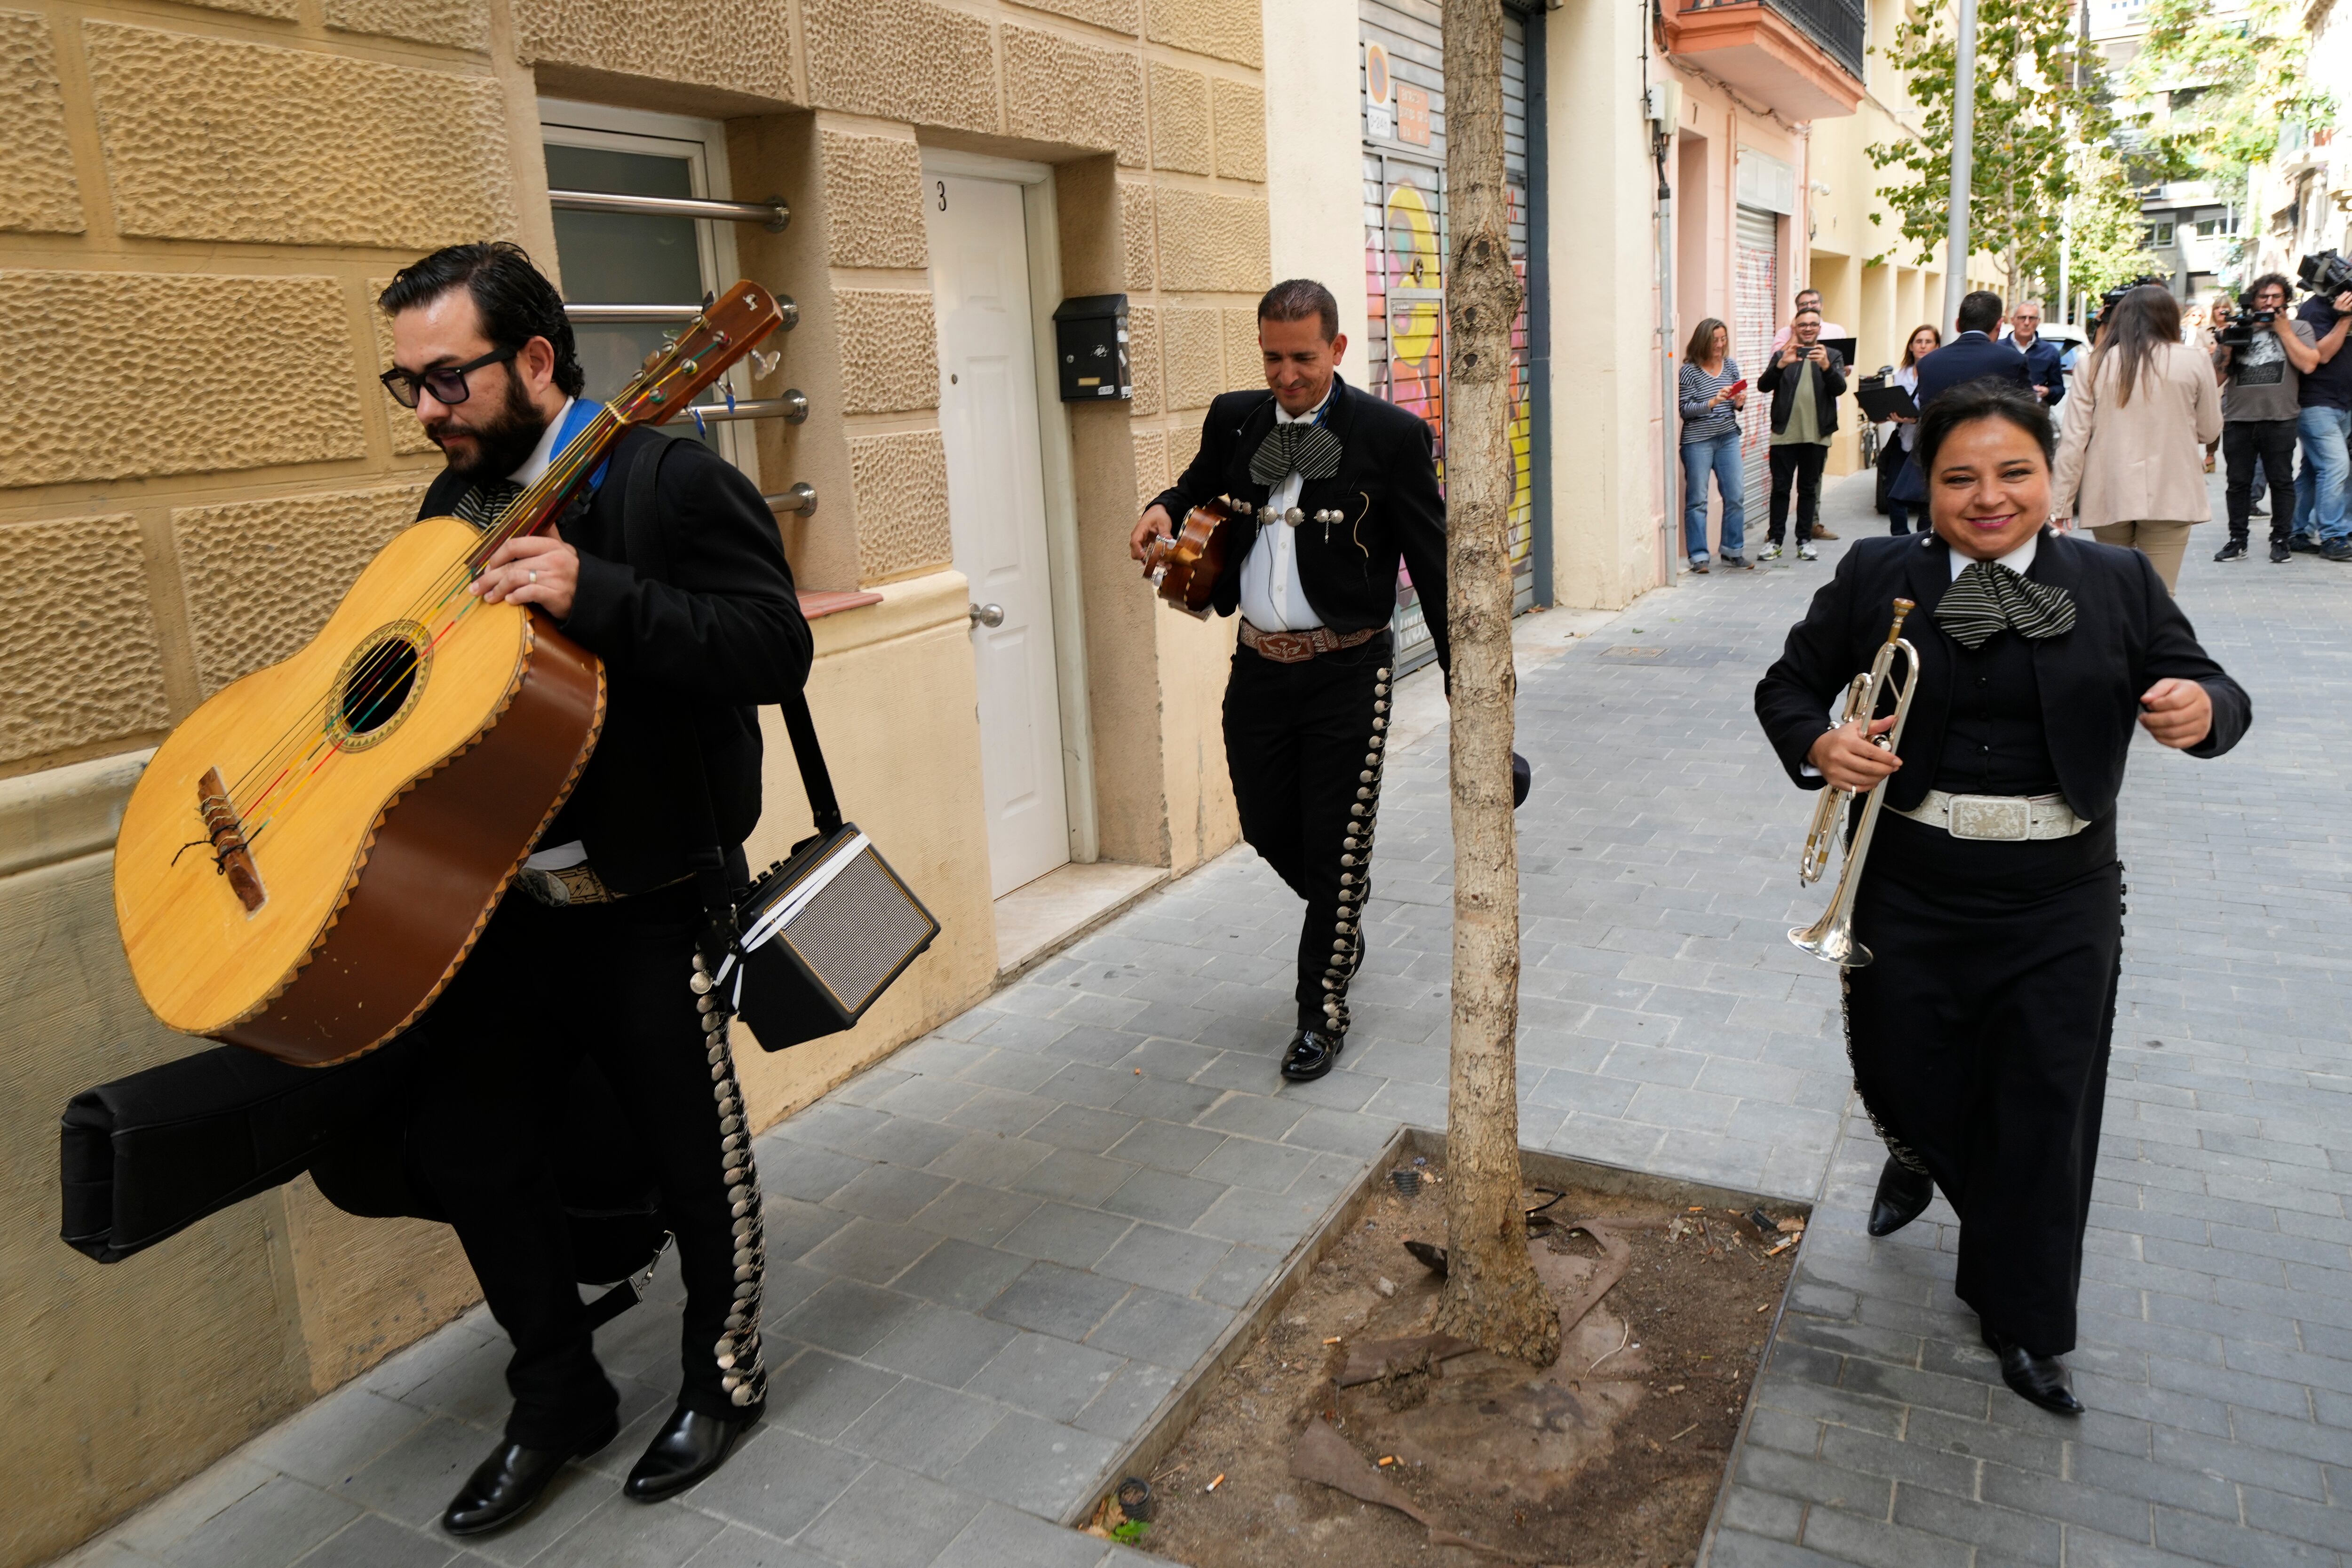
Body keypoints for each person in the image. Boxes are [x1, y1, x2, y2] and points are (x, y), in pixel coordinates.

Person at [375, 243, 812, 1531]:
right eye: (404, 386)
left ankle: (720, 1375)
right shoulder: (444, 517)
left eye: (445, 379)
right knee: (474, 1149)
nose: (426, 412)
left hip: (648, 895)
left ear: (534, 361)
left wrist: (597, 588)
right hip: (494, 908)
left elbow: (774, 644)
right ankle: (556, 1393)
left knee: (695, 1160)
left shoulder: (666, 477)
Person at [1755, 378, 2250, 1417]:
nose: (1989, 498)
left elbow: (2212, 682)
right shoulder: (1877, 571)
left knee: (2041, 1109)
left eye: (2013, 472)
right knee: (1900, 1066)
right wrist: (1819, 739)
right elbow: (1787, 684)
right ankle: (1915, 1149)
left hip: (2058, 897)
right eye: (1960, 478)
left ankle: (2020, 1315)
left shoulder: (2115, 581)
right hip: (1909, 884)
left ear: (2049, 476)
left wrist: (2201, 706)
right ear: (1925, 486)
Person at [1129, 279, 1447, 1084]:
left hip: (1350, 668)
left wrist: (1464, 690)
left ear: (1337, 350)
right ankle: (1341, 903)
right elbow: (1196, 483)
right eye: (1273, 357)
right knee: (1268, 824)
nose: (1286, 375)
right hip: (1259, 668)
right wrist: (1164, 508)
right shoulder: (1234, 416)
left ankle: (1321, 1011)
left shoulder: (1392, 435)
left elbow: (1437, 568)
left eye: (1302, 358)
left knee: (1335, 846)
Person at [2050, 284, 2222, 592]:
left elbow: (2074, 440)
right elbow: (2209, 431)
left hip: (2109, 491)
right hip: (2172, 493)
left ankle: (2116, 641)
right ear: (2170, 319)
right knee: (2160, 595)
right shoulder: (2195, 360)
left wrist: (2060, 505)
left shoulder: (2093, 363)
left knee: (2115, 592)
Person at [2211, 274, 2309, 562]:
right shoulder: (2239, 329)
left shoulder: (2299, 328)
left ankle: (2281, 540)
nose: (2269, 303)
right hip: (2239, 417)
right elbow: (2215, 377)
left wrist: (2283, 332)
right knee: (2237, 482)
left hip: (2280, 417)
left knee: (2281, 481)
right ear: (2252, 301)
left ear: (2286, 301)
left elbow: (2308, 364)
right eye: (2263, 297)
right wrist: (2227, 346)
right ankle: (2237, 540)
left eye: (2276, 297)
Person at [1757, 307, 1847, 562]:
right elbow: (1763, 386)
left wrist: (1827, 367)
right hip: (1784, 434)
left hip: (1817, 434)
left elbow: (1840, 389)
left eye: (1813, 324)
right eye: (1803, 324)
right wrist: (1781, 365)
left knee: (1809, 490)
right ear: (1795, 328)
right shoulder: (1782, 354)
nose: (1808, 328)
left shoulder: (1833, 355)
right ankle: (1774, 541)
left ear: (1820, 328)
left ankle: (1804, 541)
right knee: (1781, 490)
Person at [1678, 317, 1749, 573]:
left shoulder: (1730, 366)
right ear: (1703, 342)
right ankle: (1698, 557)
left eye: (1723, 339)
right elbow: (1685, 410)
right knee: (1697, 500)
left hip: (1728, 437)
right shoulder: (1689, 370)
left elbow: (1735, 406)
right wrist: (1712, 402)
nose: (1720, 345)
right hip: (1698, 442)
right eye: (1714, 340)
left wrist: (1739, 401)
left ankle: (1733, 551)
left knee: (1736, 496)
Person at [2287, 280, 2352, 554]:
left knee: (2314, 471)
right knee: (2336, 466)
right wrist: (2345, 318)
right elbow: (2322, 356)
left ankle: (2295, 531)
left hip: (2344, 403)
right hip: (2317, 403)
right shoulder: (2315, 310)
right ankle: (2334, 536)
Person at [1884, 324, 1941, 535]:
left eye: (1928, 342)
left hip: (1928, 443)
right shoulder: (1902, 374)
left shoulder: (1939, 374)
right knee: (1893, 494)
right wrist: (1887, 414)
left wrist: (1916, 419)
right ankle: (1900, 539)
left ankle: (1922, 539)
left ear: (1937, 347)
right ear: (1911, 346)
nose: (1923, 346)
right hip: (1903, 441)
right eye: (1919, 341)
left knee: (1926, 496)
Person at [2005, 300, 2066, 406]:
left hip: (2036, 415)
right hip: (2003, 414)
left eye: (2032, 318)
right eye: (2022, 318)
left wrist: (2047, 392)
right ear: (2012, 320)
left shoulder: (2050, 352)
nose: (2027, 323)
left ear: (2038, 321)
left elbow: (2059, 389)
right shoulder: (1999, 348)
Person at [1770, 287, 1850, 353]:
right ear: (1798, 308)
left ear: (1822, 306)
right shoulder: (1784, 333)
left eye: (1814, 303)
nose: (1809, 307)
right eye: (1804, 304)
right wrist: (1795, 334)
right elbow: (1775, 364)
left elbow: (1846, 369)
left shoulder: (1837, 331)